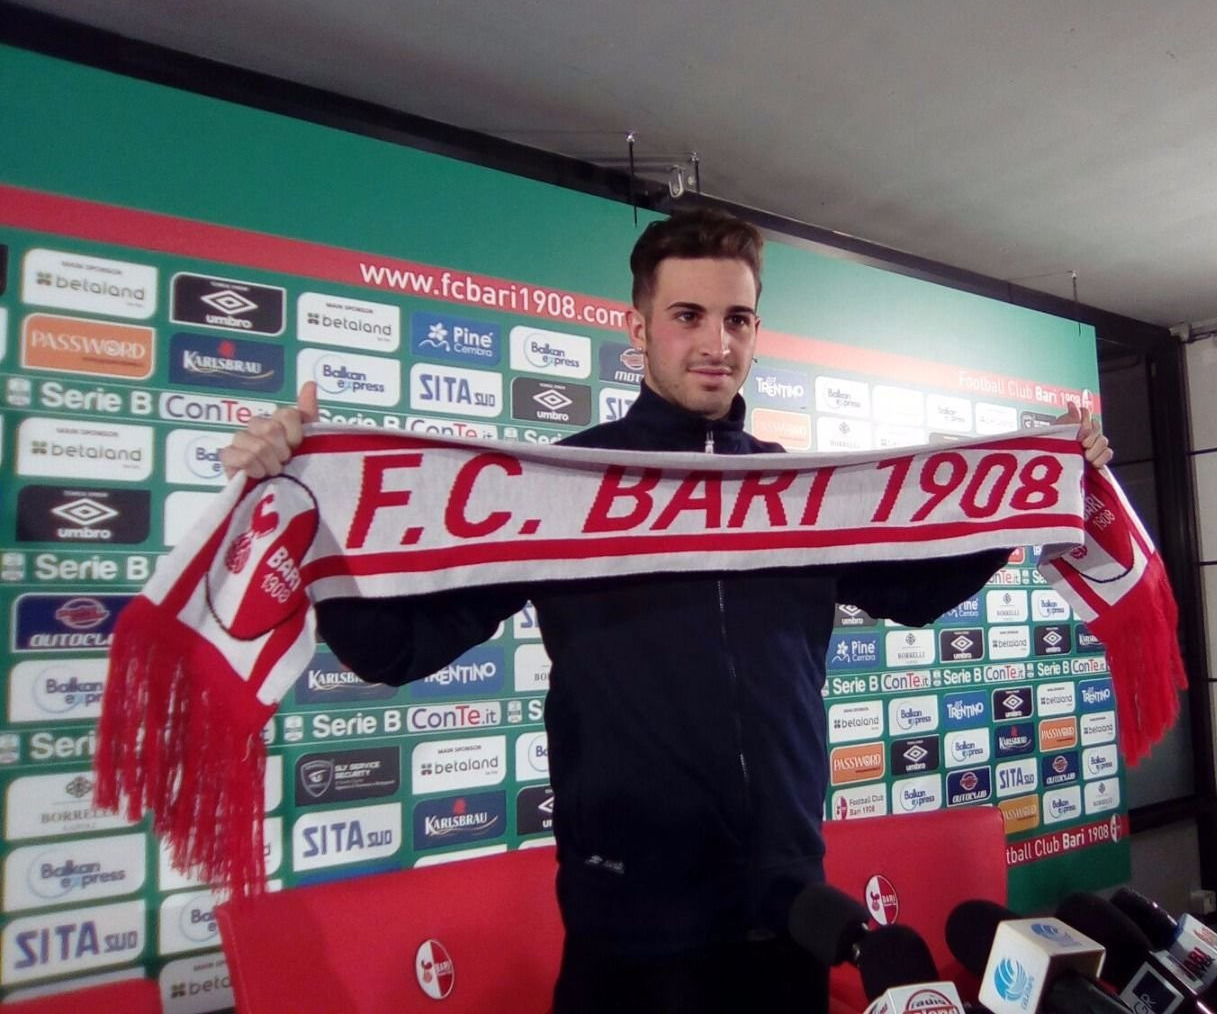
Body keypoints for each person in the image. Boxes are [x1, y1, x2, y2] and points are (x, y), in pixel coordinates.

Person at [222, 208, 1112, 1013]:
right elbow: (396, 649)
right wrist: (307, 515)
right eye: (689, 316)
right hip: (631, 926)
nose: (716, 343)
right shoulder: (561, 488)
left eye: (738, 319)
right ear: (638, 328)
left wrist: (1035, 496)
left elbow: (912, 592)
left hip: (791, 909)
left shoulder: (799, 492)